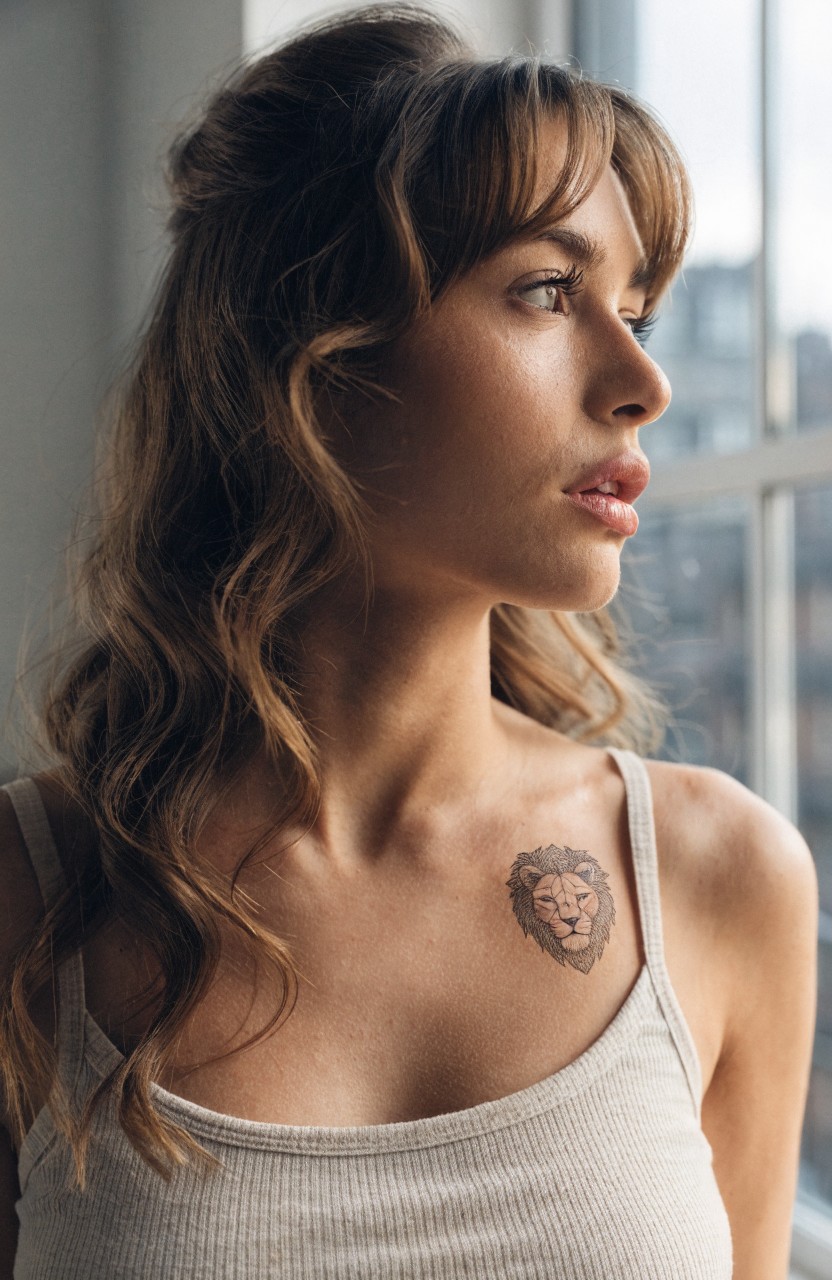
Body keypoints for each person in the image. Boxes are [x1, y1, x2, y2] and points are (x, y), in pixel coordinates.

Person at [0, 4, 818, 1277]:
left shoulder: (724, 879)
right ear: (314, 350)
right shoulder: (37, 894)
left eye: (638, 310)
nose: (640, 380)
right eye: (550, 291)